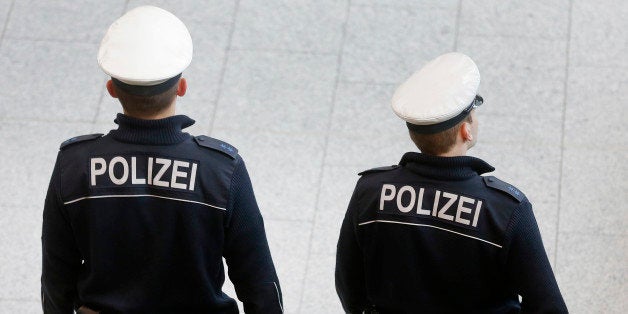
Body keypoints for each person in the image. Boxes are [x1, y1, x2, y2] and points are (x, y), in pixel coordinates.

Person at [41, 6, 283, 313]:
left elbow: (56, 276)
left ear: (111, 89)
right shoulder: (221, 170)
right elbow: (260, 282)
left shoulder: (73, 166)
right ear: (181, 87)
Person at [335, 52, 567, 313]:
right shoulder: (505, 210)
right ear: (466, 131)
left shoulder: (371, 191)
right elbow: (549, 307)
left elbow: (349, 283)